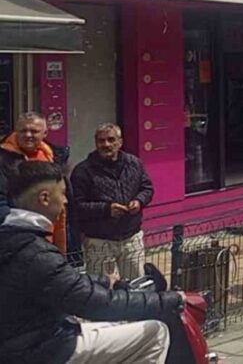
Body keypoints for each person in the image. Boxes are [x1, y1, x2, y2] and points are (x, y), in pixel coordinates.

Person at [0, 161, 183, 364]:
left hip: (27, 343)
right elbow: (95, 303)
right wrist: (170, 300)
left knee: (114, 328)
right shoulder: (36, 251)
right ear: (44, 198)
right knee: (156, 331)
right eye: (62, 194)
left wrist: (104, 281)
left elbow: (61, 281)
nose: (65, 201)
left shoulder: (13, 238)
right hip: (45, 349)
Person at [69, 123, 154, 281]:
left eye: (111, 140)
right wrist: (106, 209)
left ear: (120, 142)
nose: (106, 144)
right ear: (95, 143)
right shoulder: (83, 171)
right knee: (102, 290)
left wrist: (139, 201)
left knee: (136, 286)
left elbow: (147, 188)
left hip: (131, 238)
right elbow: (76, 207)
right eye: (101, 140)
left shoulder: (134, 163)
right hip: (99, 242)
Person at [0, 112, 67, 254]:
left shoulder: (55, 156)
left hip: (54, 234)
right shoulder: (3, 159)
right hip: (18, 240)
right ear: (15, 131)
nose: (28, 135)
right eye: (23, 130)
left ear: (45, 133)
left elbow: (66, 201)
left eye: (34, 131)